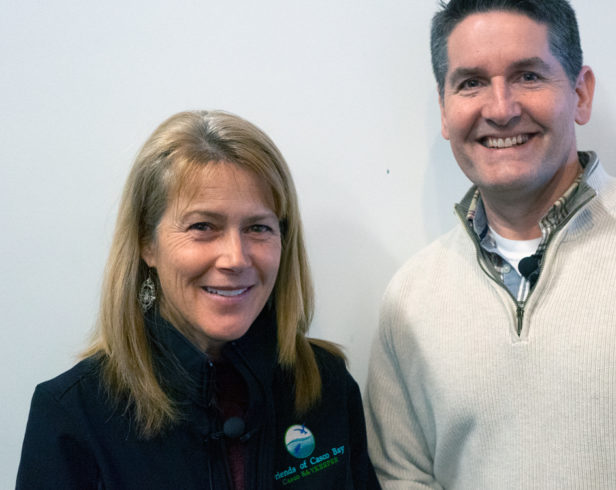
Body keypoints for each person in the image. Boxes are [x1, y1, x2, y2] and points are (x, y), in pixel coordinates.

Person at [364, 0, 616, 488]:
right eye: (471, 83)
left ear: (580, 93)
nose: (501, 108)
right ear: (445, 111)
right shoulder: (410, 297)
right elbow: (403, 479)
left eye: (528, 76)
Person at [17, 110, 380, 489]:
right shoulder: (72, 415)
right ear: (146, 242)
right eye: (203, 227)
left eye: (258, 227)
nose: (236, 258)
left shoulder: (327, 385)